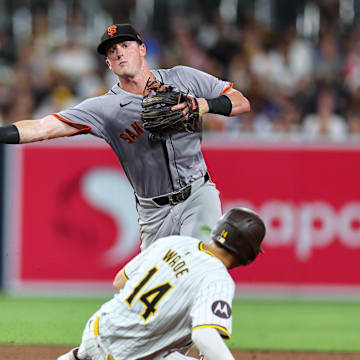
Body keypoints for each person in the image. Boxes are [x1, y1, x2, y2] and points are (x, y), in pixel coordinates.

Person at [0, 24, 251, 250]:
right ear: (108, 63)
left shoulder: (182, 77)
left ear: (142, 49)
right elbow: (42, 127)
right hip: (154, 212)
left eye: (125, 45)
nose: (119, 52)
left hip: (198, 194)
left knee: (199, 266)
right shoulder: (104, 108)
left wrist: (201, 105)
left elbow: (241, 102)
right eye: (111, 51)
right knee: (154, 294)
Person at [57, 207, 266, 360]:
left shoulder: (174, 241)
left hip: (97, 330)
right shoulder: (218, 278)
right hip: (126, 355)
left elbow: (120, 282)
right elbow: (204, 334)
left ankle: (75, 357)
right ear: (249, 254)